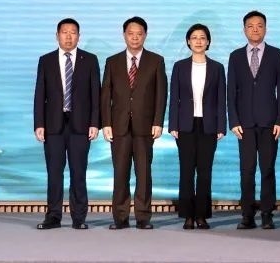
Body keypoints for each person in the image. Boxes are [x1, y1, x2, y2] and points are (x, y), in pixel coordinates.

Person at [33, 18, 100, 230]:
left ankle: (79, 218)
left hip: (81, 125)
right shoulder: (46, 60)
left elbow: (96, 94)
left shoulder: (90, 60)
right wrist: (39, 123)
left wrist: (95, 123)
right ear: (57, 35)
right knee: (54, 173)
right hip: (53, 125)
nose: (68, 36)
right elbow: (40, 94)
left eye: (73, 32)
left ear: (79, 36)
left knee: (78, 173)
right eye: (64, 32)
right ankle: (53, 217)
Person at [100, 16, 167, 230]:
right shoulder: (112, 61)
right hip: (118, 126)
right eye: (131, 33)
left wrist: (158, 122)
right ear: (124, 35)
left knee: (143, 173)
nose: (135, 37)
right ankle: (120, 218)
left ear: (145, 35)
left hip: (145, 126)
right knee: (120, 173)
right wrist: (106, 123)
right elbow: (105, 94)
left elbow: (161, 94)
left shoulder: (156, 61)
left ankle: (143, 217)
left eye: (139, 34)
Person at [227, 10, 280, 230]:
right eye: (250, 26)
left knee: (268, 169)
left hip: (270, 123)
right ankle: (247, 214)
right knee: (247, 170)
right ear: (244, 30)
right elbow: (231, 91)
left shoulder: (277, 55)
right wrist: (233, 120)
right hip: (244, 124)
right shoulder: (235, 56)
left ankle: (267, 214)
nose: (255, 29)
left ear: (266, 29)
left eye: (259, 25)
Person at [168, 24, 226, 230]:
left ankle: (201, 215)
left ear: (208, 42)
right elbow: (174, 98)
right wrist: (173, 124)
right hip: (185, 125)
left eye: (202, 37)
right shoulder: (179, 66)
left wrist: (221, 126)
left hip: (208, 125)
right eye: (194, 37)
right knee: (186, 171)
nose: (198, 41)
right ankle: (187, 216)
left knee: (204, 172)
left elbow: (221, 99)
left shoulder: (217, 68)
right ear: (188, 42)